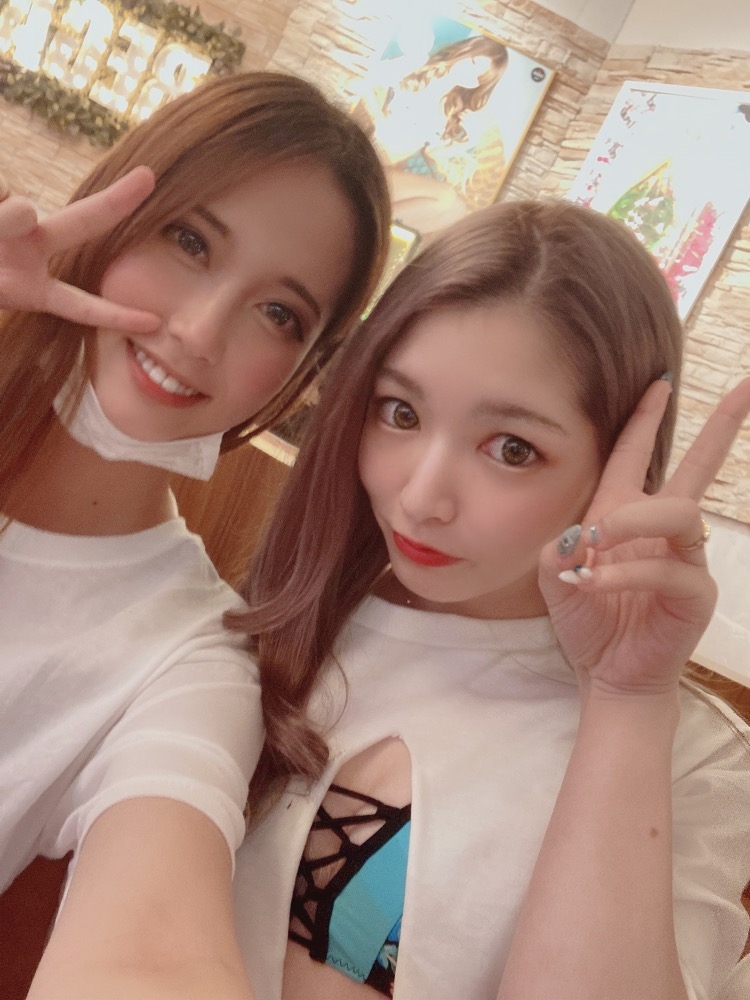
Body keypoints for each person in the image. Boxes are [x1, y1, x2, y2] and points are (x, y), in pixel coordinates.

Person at [228, 199, 750, 1000]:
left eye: (512, 448)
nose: (420, 499)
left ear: (618, 464)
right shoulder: (285, 618)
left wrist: (624, 701)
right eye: (400, 412)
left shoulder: (690, 757)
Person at [0, 71, 390, 999]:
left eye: (279, 312)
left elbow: (155, 952)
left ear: (299, 373)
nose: (199, 331)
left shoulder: (191, 664)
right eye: (189, 241)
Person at [354, 34, 508, 233]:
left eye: (479, 77)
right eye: (472, 62)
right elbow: (368, 80)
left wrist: (466, 143)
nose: (469, 75)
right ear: (464, 51)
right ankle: (366, 225)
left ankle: (368, 229)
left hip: (389, 174)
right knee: (448, 202)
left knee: (453, 206)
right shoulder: (418, 65)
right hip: (365, 159)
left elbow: (433, 154)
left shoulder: (452, 108)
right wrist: (379, 119)